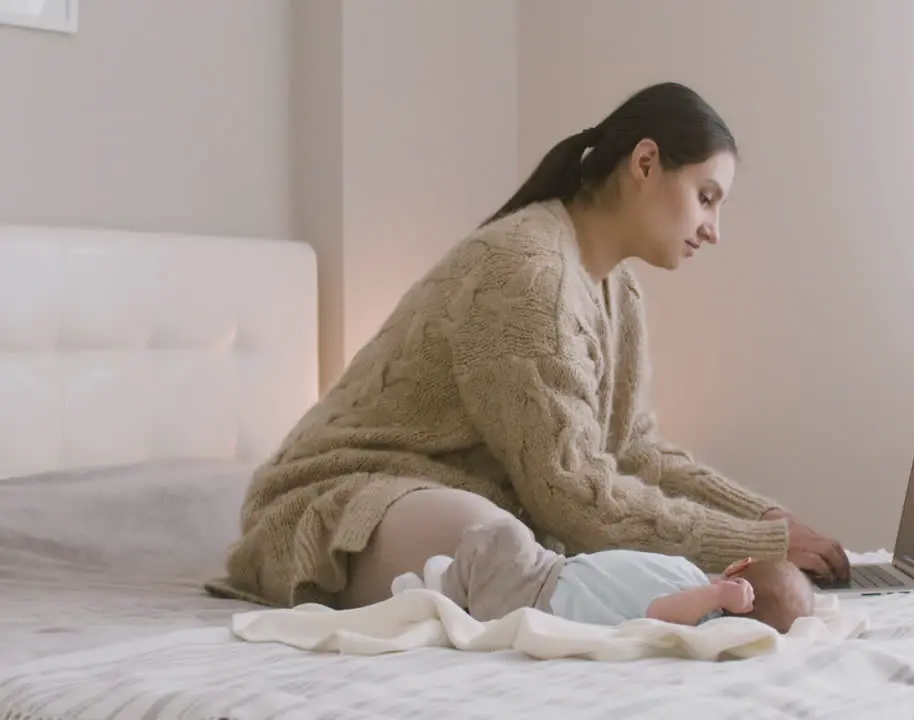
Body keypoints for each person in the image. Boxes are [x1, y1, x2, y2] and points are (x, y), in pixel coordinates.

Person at [204, 80, 851, 611]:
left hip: (456, 507)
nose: (714, 229)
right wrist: (752, 544)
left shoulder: (616, 290)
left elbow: (634, 451)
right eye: (707, 197)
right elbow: (570, 493)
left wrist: (767, 518)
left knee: (516, 547)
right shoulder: (527, 268)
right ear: (646, 163)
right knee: (497, 542)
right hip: (339, 502)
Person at [392, 514, 815, 634]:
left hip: (536, 593)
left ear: (738, 568)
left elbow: (660, 615)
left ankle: (438, 591)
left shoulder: (698, 610)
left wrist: (714, 596)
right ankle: (454, 587)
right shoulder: (691, 577)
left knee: (503, 534)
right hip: (553, 572)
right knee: (514, 540)